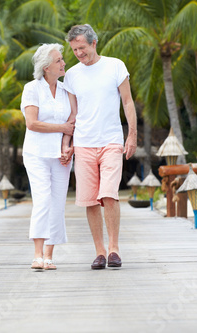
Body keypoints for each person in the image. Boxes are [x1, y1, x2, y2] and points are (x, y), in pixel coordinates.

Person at [61, 24, 137, 269]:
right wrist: (68, 143)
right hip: (83, 145)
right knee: (90, 200)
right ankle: (100, 252)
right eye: (74, 50)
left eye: (82, 47)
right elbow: (73, 115)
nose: (79, 53)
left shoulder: (115, 66)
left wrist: (132, 135)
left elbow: (127, 101)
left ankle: (114, 249)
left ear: (94, 43)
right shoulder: (71, 75)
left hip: (111, 141)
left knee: (109, 195)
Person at [20, 43, 75, 270]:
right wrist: (62, 128)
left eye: (62, 59)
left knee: (57, 203)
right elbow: (32, 123)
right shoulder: (32, 88)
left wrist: (66, 147)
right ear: (46, 67)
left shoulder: (66, 90)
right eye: (59, 60)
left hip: (61, 157)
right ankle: (37, 254)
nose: (63, 63)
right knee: (42, 200)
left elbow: (72, 123)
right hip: (36, 154)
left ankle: (50, 255)